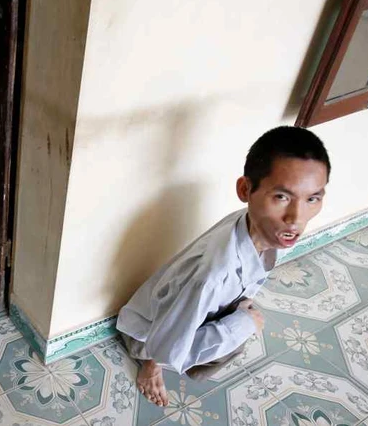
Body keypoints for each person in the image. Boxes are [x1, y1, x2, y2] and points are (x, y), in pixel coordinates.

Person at [117, 126, 330, 406]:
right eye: (282, 197)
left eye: (312, 198)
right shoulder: (212, 275)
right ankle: (149, 368)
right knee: (240, 330)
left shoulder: (255, 224)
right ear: (246, 190)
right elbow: (167, 346)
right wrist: (241, 324)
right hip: (147, 337)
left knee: (241, 317)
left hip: (182, 309)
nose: (296, 218)